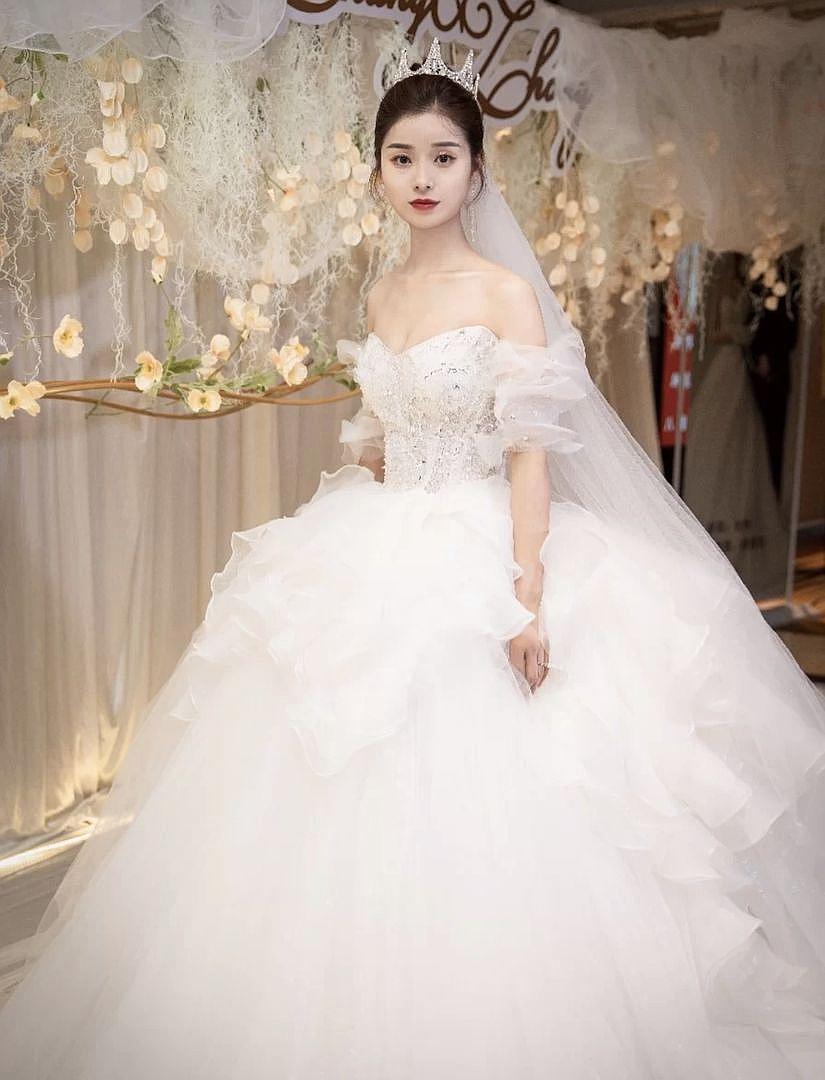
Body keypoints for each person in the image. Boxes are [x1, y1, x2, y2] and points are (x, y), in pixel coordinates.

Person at [1, 37, 825, 1080]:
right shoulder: (383, 296)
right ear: (379, 171)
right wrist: (355, 525)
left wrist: (526, 600)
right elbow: (381, 439)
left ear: (476, 171)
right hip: (384, 536)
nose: (422, 177)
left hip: (483, 541)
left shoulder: (504, 294)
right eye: (402, 158)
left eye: (443, 157)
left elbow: (530, 455)